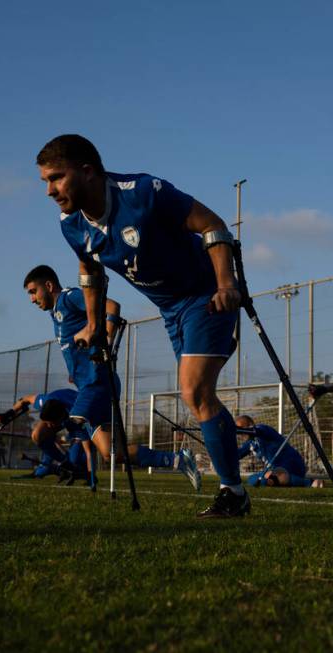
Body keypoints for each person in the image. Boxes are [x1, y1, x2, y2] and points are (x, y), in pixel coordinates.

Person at [37, 135, 242, 517]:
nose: (50, 190)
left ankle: (233, 492)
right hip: (169, 310)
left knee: (194, 390)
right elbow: (90, 271)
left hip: (205, 294)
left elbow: (213, 226)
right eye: (45, 181)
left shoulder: (144, 192)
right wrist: (96, 326)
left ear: (87, 171)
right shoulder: (71, 225)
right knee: (200, 398)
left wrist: (227, 284)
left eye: (57, 178)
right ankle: (236, 487)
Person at [22, 264, 200, 491]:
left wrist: (104, 340)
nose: (32, 299)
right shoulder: (56, 313)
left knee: (62, 424)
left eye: (33, 291)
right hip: (89, 383)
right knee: (111, 453)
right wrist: (75, 370)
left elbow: (112, 306)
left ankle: (65, 466)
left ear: (48, 285)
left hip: (98, 383)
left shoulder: (70, 298)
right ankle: (177, 460)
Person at [235, 415, 322, 488]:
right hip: (275, 470)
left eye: (241, 429)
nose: (240, 434)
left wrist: (238, 430)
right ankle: (275, 480)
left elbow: (257, 431)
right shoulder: (250, 443)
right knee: (252, 480)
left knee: (274, 475)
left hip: (292, 464)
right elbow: (236, 455)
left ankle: (309, 482)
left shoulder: (263, 429)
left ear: (250, 425)